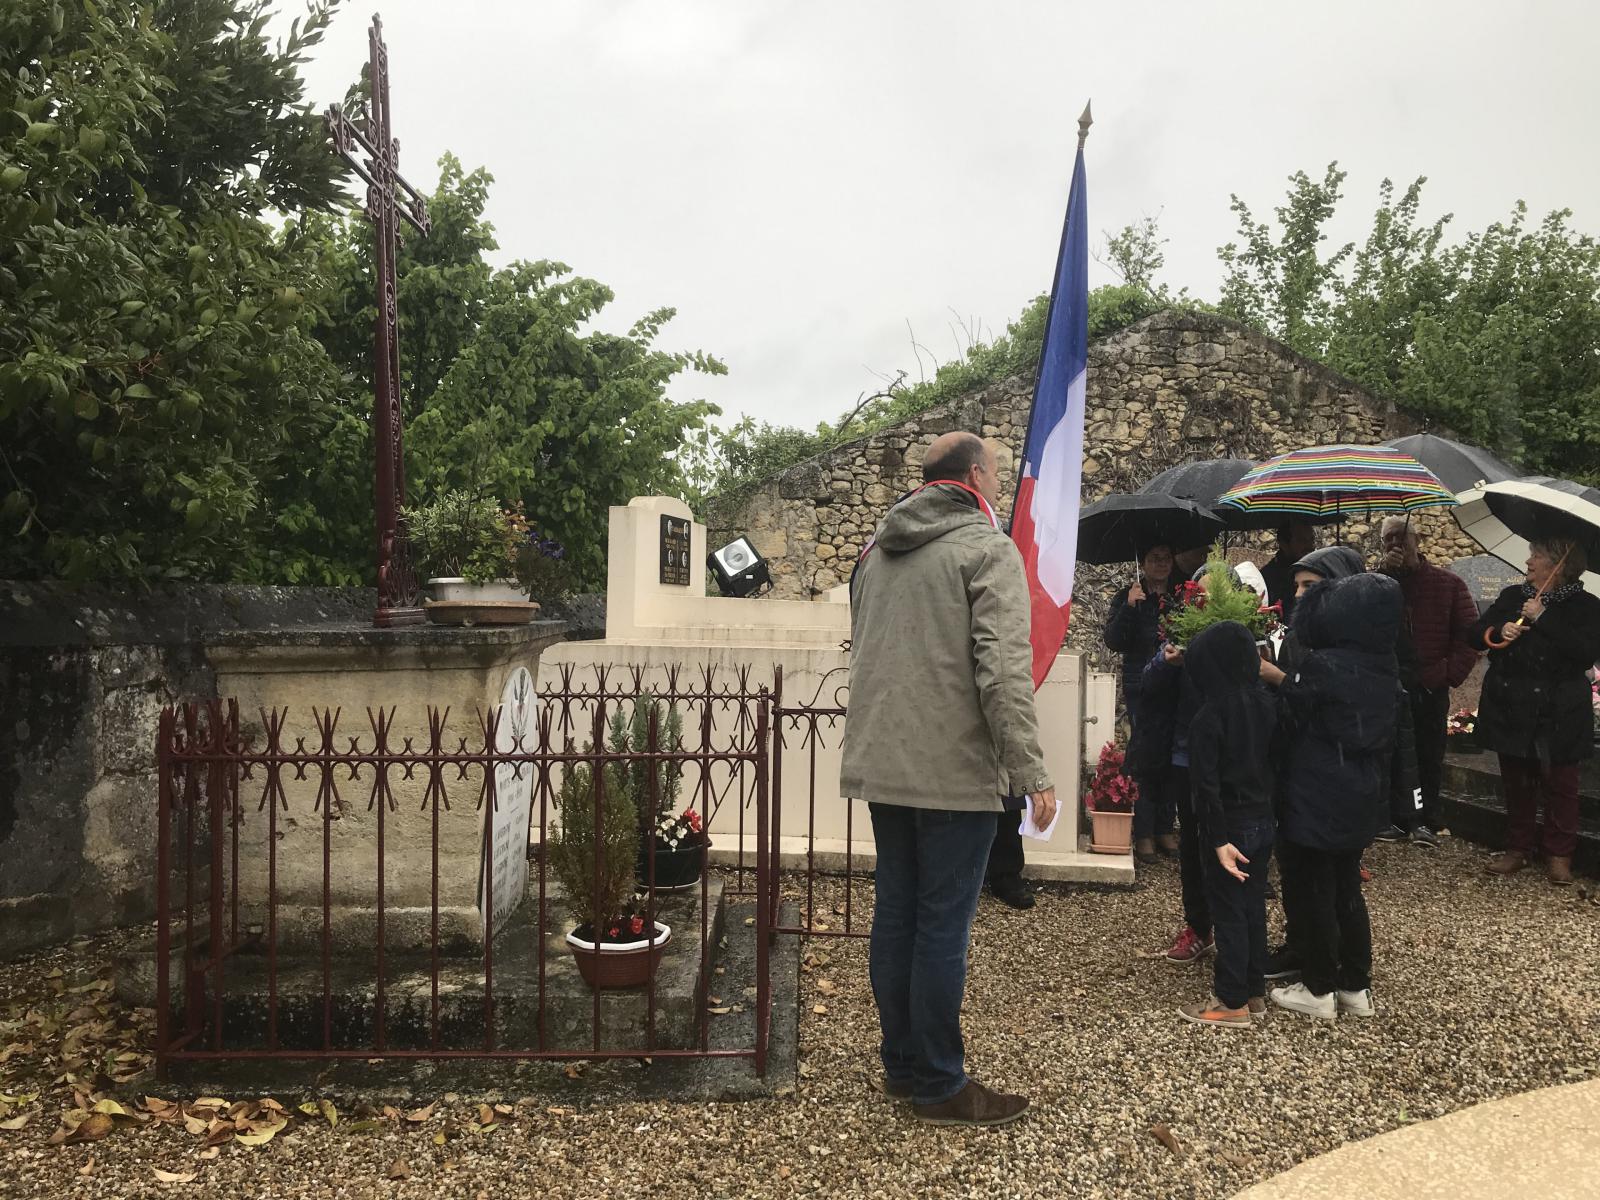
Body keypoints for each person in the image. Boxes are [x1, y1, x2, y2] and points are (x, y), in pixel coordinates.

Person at [840, 430, 1056, 1126]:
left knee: (897, 914)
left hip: (884, 764)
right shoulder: (987, 551)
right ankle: (938, 1083)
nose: (998, 485)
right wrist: (1029, 768)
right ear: (973, 476)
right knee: (939, 926)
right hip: (955, 770)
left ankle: (902, 1065)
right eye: (995, 473)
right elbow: (1002, 671)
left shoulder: (873, 556)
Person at [1268, 570, 1403, 1021]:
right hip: (1360, 793)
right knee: (1346, 888)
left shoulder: (1322, 665)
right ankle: (1355, 986)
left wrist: (1275, 678)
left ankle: (1319, 986)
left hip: (1315, 793)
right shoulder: (1385, 665)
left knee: (1314, 889)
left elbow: (1292, 717)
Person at [1129, 560, 1243, 965]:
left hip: (1229, 760)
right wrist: (1166, 661)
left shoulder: (1241, 638)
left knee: (1231, 844)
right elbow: (1147, 683)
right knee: (1194, 847)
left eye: (1212, 595)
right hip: (1184, 754)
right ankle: (1199, 927)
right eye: (1199, 594)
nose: (1204, 601)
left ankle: (1235, 935)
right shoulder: (1179, 634)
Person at [1475, 537, 1600, 885]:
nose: (1528, 561)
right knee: (1517, 781)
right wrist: (1499, 630)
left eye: (1537, 555)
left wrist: (1542, 617)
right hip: (1512, 704)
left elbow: (1585, 651)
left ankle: (1559, 854)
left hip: (1559, 710)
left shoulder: (1587, 606)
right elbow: (1474, 634)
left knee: (1561, 784)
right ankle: (1518, 848)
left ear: (1560, 564)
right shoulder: (1513, 597)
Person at [1177, 621, 1281, 1028]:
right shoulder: (1266, 704)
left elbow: (1205, 787)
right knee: (1253, 905)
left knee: (1228, 911)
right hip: (1262, 820)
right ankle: (1254, 989)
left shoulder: (1208, 718)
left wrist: (1217, 839)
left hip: (1228, 828)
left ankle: (1230, 999)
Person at [1375, 516, 1480, 847]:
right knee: (1389, 753)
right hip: (1389, 683)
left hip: (1429, 685)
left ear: (1416, 541)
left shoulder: (1449, 585)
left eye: (1400, 538)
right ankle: (1395, 816)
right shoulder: (1378, 583)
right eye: (1388, 539)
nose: (1395, 545)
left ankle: (1425, 819)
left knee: (1427, 753)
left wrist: (1446, 675)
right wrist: (1384, 574)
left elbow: (1469, 636)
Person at [1103, 543, 1178, 862]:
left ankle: (1164, 827)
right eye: (1154, 558)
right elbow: (1114, 640)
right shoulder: (1129, 595)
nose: (1161, 564)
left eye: (1166, 558)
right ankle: (1144, 831)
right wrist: (1130, 608)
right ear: (1143, 563)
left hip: (1174, 685)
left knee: (1171, 757)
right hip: (1141, 688)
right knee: (1144, 758)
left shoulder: (1179, 596)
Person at [1259, 521, 1318, 614]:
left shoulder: (1316, 571)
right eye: (1302, 540)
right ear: (1283, 544)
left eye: (1311, 540)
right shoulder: (1267, 578)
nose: (1310, 546)